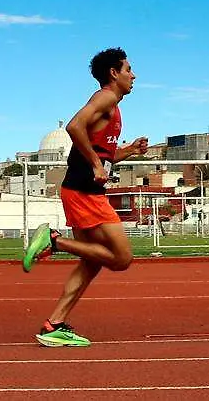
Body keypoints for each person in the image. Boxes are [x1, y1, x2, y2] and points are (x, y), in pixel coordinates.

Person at [21, 48, 149, 347]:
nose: (134, 75)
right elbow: (73, 126)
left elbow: (104, 156)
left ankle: (54, 324)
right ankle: (54, 241)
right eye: (129, 69)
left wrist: (129, 150)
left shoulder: (114, 108)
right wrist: (93, 164)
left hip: (82, 189)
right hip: (84, 191)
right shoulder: (104, 97)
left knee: (91, 262)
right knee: (122, 258)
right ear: (114, 73)